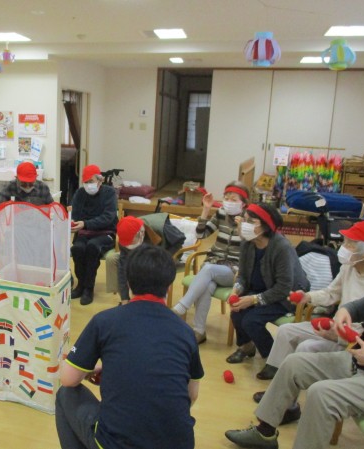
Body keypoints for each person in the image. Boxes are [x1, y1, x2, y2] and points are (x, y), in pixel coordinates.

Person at [56, 245, 203, 449]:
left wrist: (86, 370)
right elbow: (191, 395)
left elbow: (68, 379)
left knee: (65, 394)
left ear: (128, 283)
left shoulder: (104, 321)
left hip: (117, 443)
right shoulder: (185, 332)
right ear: (169, 287)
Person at [225, 282, 364, 449]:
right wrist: (345, 311)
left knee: (321, 394)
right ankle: (265, 433)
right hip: (359, 361)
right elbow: (363, 304)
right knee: (293, 364)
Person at [253, 220, 364, 384]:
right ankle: (275, 371)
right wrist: (307, 297)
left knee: (306, 347)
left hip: (356, 338)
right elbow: (331, 293)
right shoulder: (348, 268)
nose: (344, 247)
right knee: (285, 330)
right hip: (335, 326)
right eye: (345, 241)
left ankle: (291, 388)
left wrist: (341, 336)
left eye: (351, 244)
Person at [227, 203, 310, 364]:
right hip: (259, 291)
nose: (244, 224)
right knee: (236, 312)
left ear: (265, 226)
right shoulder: (247, 242)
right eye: (244, 219)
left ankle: (273, 358)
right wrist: (235, 291)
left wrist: (253, 300)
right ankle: (246, 347)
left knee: (251, 320)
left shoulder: (281, 247)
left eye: (251, 221)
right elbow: (242, 276)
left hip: (285, 297)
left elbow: (283, 288)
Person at [172, 181, 250, 344]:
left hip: (235, 271)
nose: (229, 202)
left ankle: (182, 306)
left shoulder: (250, 220)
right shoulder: (221, 213)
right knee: (207, 285)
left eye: (234, 199)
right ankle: (199, 331)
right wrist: (206, 209)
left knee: (208, 270)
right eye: (226, 198)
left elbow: (252, 250)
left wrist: (242, 230)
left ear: (243, 203)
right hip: (215, 264)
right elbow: (201, 234)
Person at [70, 164, 117, 305]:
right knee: (77, 249)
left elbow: (108, 217)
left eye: (91, 181)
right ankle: (81, 284)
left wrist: (85, 223)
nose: (88, 185)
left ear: (100, 180)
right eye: (86, 182)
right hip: (84, 232)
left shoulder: (109, 193)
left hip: (106, 232)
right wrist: (73, 223)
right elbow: (76, 214)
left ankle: (88, 288)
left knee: (92, 247)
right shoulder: (80, 193)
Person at [115, 216, 145, 305]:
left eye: (130, 243)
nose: (128, 246)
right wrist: (124, 298)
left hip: (159, 258)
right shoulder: (125, 240)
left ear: (140, 234)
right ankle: (126, 301)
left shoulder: (157, 230)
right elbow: (122, 270)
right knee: (113, 261)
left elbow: (178, 239)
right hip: (139, 255)